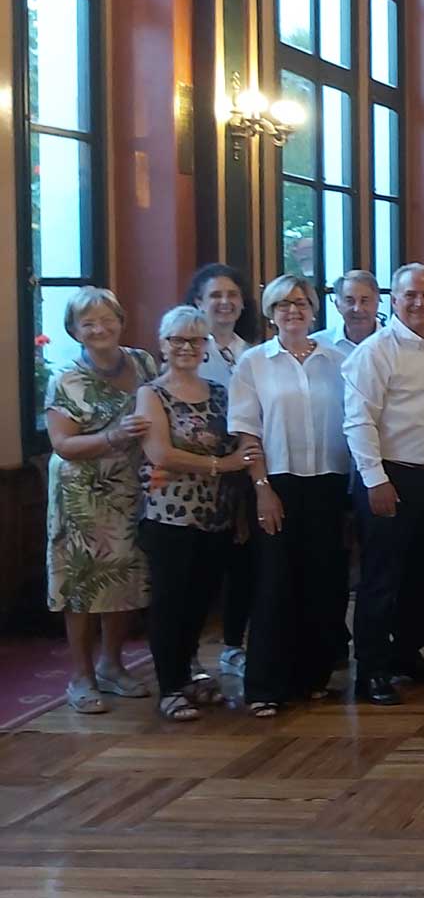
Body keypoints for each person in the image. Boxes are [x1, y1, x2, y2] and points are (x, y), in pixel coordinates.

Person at [230, 276, 353, 716]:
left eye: (301, 303)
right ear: (270, 312)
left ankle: (313, 677)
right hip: (275, 483)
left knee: (323, 582)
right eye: (283, 304)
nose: (293, 311)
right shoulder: (253, 363)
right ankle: (265, 685)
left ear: (315, 309)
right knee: (274, 584)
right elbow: (247, 432)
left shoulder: (338, 360)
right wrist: (262, 490)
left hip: (328, 483)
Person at [136, 306, 260, 721]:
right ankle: (170, 686)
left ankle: (189, 674)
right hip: (169, 514)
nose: (186, 347)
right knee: (170, 602)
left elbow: (241, 445)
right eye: (177, 340)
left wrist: (240, 505)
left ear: (206, 346)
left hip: (217, 514)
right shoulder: (151, 394)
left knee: (200, 601)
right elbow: (160, 453)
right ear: (162, 345)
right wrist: (221, 466)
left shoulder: (220, 393)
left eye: (195, 340)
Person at [342, 263, 424, 705]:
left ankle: (407, 654)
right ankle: (370, 669)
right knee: (381, 578)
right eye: (411, 295)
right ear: (395, 299)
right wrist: (375, 479)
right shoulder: (376, 351)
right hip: (390, 477)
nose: (421, 303)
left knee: (423, 577)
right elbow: (358, 420)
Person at [45, 288, 158, 715]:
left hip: (130, 487)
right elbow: (61, 444)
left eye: (106, 319)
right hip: (82, 495)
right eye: (88, 322)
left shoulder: (144, 362)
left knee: (125, 577)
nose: (99, 328)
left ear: (121, 320)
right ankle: (81, 676)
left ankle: (113, 664)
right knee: (83, 585)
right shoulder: (65, 378)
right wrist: (111, 437)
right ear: (74, 330)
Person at [185, 262, 257, 677]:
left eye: (232, 296)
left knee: (243, 564)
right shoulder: (189, 352)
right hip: (199, 477)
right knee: (200, 568)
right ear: (198, 302)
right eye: (215, 296)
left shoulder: (253, 352)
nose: (225, 303)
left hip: (245, 472)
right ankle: (189, 653)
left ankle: (234, 645)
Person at [315, 270, 382, 352]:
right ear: (337, 305)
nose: (357, 309)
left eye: (364, 301)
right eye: (350, 301)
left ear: (377, 303)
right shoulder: (318, 345)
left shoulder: (395, 344)